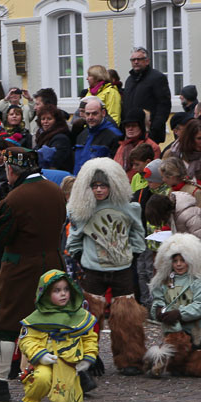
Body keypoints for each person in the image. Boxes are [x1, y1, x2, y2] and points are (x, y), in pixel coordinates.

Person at [0, 148, 67, 401]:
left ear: (11, 170)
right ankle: (72, 371)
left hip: (22, 265)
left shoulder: (16, 198)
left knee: (6, 321)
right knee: (53, 316)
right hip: (53, 262)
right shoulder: (56, 191)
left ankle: (0, 381)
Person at [67, 158, 148, 376]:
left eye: (103, 186)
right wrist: (78, 254)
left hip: (122, 268)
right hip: (93, 270)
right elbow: (74, 237)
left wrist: (134, 252)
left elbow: (137, 232)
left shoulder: (128, 208)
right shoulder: (84, 209)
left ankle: (131, 358)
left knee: (127, 317)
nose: (100, 190)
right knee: (89, 317)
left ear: (112, 186)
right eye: (95, 186)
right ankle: (87, 358)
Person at [18, 270, 98, 402]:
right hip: (43, 361)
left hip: (68, 362)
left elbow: (89, 338)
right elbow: (27, 340)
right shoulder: (36, 318)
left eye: (66, 289)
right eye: (57, 290)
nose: (63, 294)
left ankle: (73, 389)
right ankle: (31, 401)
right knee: (41, 378)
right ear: (46, 293)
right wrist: (40, 355)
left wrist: (88, 358)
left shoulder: (80, 316)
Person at [145, 234, 201, 378]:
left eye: (182, 260)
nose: (179, 264)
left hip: (195, 328)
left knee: (198, 368)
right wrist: (159, 310)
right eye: (175, 261)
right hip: (173, 328)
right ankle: (161, 359)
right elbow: (158, 299)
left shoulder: (198, 282)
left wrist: (180, 313)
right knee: (176, 363)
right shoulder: (164, 282)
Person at [123, 47, 172, 144]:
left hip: (150, 132)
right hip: (132, 132)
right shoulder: (129, 80)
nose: (136, 62)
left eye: (139, 59)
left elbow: (164, 105)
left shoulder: (157, 78)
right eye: (133, 60)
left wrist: (154, 129)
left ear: (147, 61)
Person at [72, 96, 122, 174]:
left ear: (103, 113)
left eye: (94, 113)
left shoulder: (114, 135)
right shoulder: (82, 135)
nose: (90, 117)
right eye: (87, 114)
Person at [113, 108, 159, 179]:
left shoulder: (152, 147)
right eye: (127, 126)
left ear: (141, 127)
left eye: (134, 125)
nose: (130, 129)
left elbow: (154, 174)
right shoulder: (122, 146)